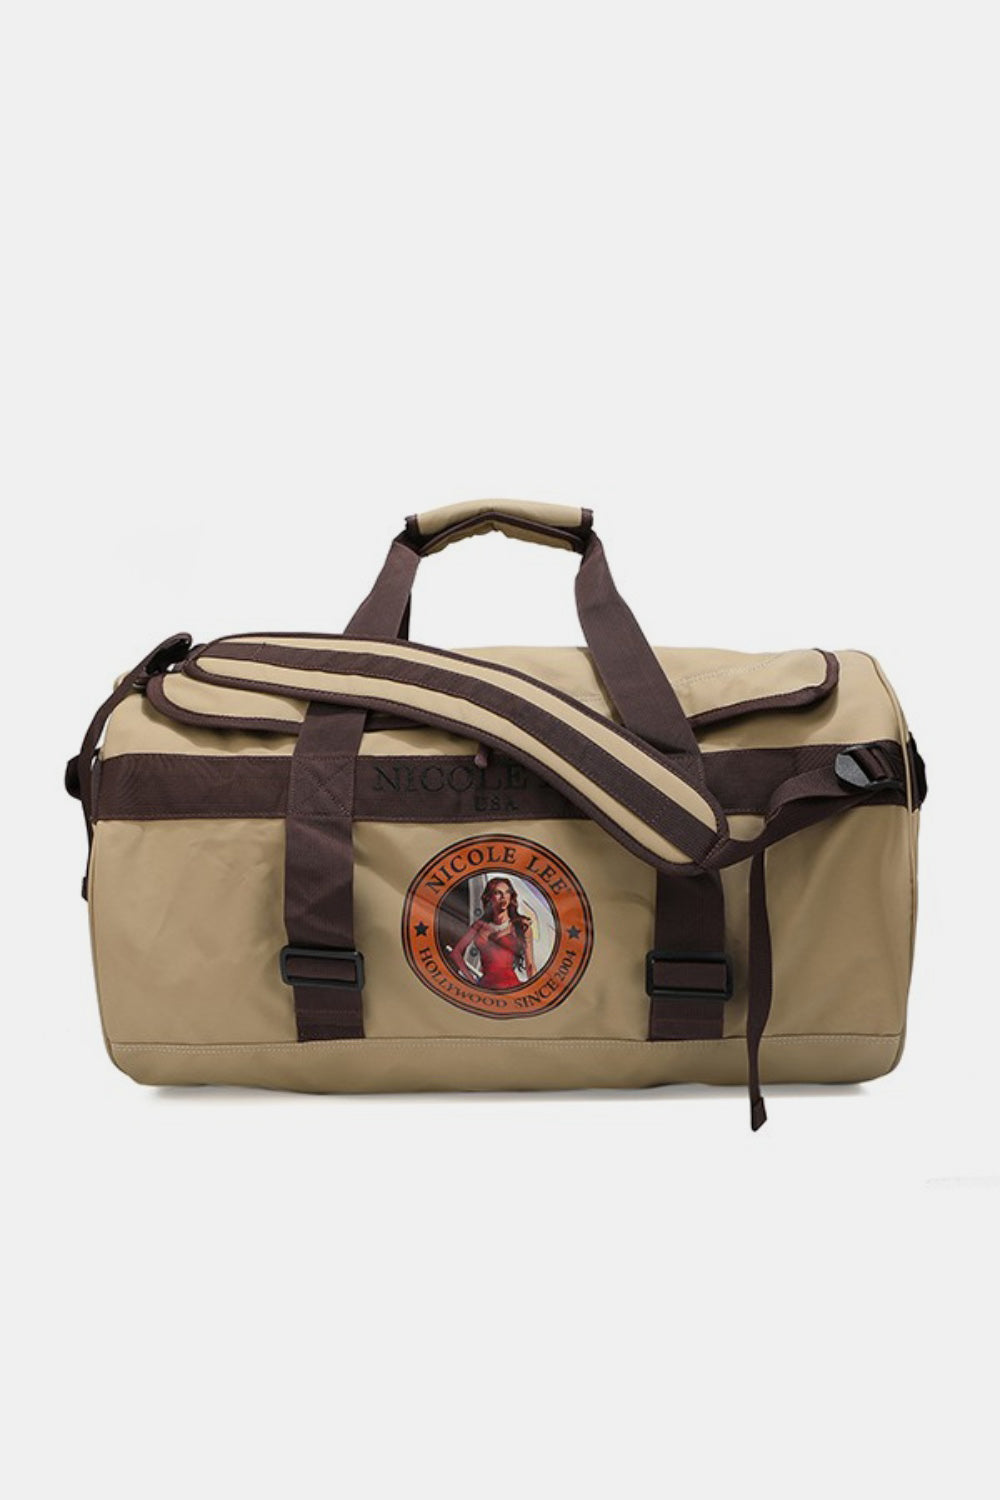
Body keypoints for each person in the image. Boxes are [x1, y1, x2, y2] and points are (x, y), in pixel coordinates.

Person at [450, 877, 536, 989]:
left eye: (507, 892)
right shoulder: (479, 926)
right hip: (485, 988)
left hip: (510, 987)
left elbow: (530, 965)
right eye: (498, 893)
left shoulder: (521, 926)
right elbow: (455, 953)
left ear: (511, 896)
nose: (503, 897)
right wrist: (471, 980)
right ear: (490, 897)